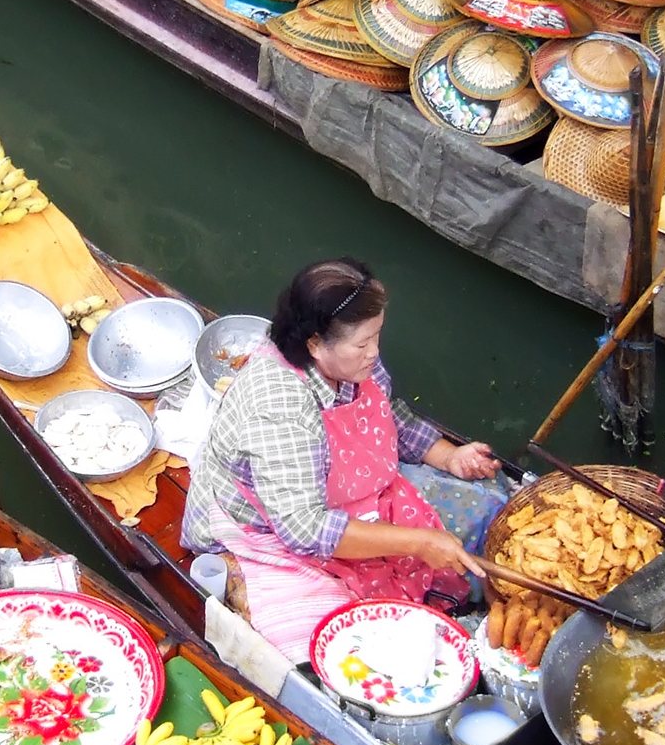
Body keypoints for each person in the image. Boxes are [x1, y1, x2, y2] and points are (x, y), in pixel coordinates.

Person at [182, 258, 495, 661]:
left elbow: (389, 413)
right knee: (336, 646)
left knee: (486, 508)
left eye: (377, 336)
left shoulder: (352, 361)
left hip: (348, 492)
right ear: (314, 343)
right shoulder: (280, 406)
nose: (374, 352)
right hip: (269, 526)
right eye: (363, 344)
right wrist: (418, 542)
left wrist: (450, 456)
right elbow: (305, 528)